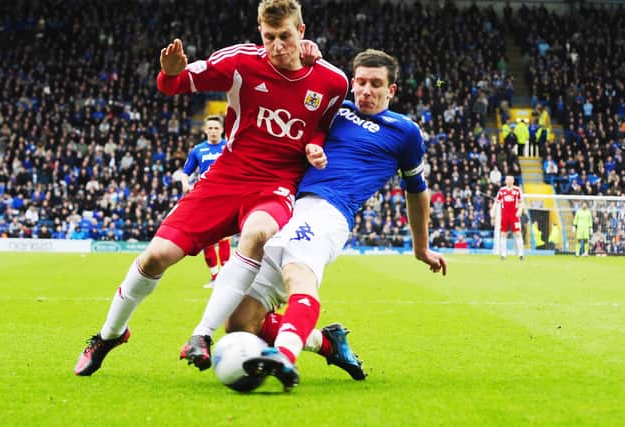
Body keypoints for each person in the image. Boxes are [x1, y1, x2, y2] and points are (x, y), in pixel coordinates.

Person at [74, 0, 348, 377]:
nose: (277, 46)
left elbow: (321, 125)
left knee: (258, 233)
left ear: (302, 33)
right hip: (226, 178)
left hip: (276, 185)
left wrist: (313, 144)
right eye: (269, 37)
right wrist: (170, 73)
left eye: (285, 36)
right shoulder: (241, 62)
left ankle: (201, 335)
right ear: (260, 34)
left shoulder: (333, 82)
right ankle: (109, 336)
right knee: (156, 256)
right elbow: (178, 83)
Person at [223, 49, 447, 391]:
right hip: (284, 206)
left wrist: (422, 248)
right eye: (360, 82)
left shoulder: (405, 132)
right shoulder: (333, 108)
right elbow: (291, 78)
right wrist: (307, 52)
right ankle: (329, 345)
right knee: (239, 323)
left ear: (392, 90)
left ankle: (284, 355)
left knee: (298, 273)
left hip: (330, 212)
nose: (366, 91)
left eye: (376, 84)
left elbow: (416, 190)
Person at [179, 115, 231, 286]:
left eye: (217, 128)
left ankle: (225, 276)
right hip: (205, 198)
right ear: (205, 130)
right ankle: (215, 276)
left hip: (225, 196)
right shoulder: (198, 150)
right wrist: (185, 183)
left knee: (224, 237)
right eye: (211, 128)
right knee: (207, 239)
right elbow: (185, 172)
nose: (214, 131)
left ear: (222, 130)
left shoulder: (229, 147)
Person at [491, 175, 525, 260]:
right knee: (503, 234)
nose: (508, 181)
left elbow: (521, 202)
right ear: (505, 181)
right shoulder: (502, 190)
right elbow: (496, 201)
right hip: (505, 215)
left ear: (513, 181)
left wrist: (520, 210)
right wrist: (493, 210)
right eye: (507, 179)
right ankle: (503, 254)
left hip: (514, 215)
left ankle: (521, 254)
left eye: (510, 179)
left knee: (517, 233)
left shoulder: (517, 190)